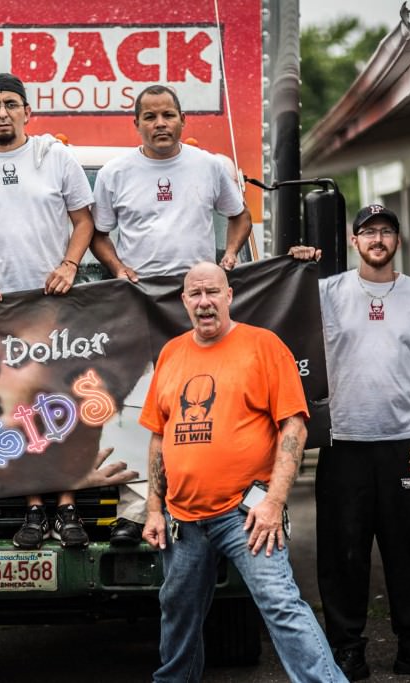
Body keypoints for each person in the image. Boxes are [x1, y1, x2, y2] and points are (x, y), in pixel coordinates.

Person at [140, 262, 345, 683]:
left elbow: (294, 425)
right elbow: (159, 437)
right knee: (177, 611)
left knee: (280, 604)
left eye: (212, 292)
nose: (204, 302)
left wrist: (273, 502)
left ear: (229, 295)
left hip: (247, 515)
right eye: (195, 294)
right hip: (184, 519)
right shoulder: (172, 353)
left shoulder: (263, 345)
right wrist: (154, 509)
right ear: (184, 302)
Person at [290, 203, 410, 680]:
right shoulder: (328, 292)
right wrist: (295, 262)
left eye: (386, 232)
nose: (378, 239)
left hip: (407, 445)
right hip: (344, 443)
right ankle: (347, 650)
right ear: (354, 240)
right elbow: (281, 307)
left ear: (398, 241)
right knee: (343, 555)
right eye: (369, 232)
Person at [91, 83, 253, 546]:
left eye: (168, 115)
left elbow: (238, 216)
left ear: (183, 120)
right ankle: (136, 511)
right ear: (136, 123)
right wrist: (119, 268)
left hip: (196, 301)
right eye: (151, 117)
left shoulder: (210, 167)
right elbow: (99, 234)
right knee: (137, 408)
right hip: (139, 300)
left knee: (199, 405)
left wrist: (230, 256)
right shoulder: (116, 173)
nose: (160, 123)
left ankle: (204, 504)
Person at [0, 72, 95, 549]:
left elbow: (84, 220)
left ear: (28, 111)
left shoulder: (55, 157)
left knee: (65, 406)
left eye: (12, 103)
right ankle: (33, 510)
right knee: (18, 409)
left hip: (56, 305)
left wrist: (70, 265)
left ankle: (67, 509)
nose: (3, 112)